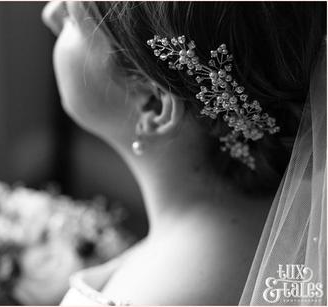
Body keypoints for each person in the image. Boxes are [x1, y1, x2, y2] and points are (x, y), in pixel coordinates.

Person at [42, 1, 326, 306]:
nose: (50, 14)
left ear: (153, 105)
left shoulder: (148, 296)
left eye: (72, 16)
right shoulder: (306, 228)